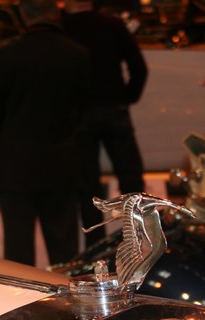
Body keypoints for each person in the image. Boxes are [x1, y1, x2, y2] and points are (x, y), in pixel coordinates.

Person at [0, 0, 90, 266]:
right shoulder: (78, 53)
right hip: (60, 161)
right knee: (64, 255)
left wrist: (6, 141)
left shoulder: (9, 54)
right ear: (55, 11)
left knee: (18, 255)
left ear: (23, 14)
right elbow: (86, 111)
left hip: (16, 163)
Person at [62, 0, 148, 247]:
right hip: (114, 107)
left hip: (79, 112)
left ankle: (95, 247)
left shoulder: (62, 28)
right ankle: (139, 241)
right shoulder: (112, 24)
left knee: (87, 184)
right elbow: (139, 68)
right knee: (130, 178)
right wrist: (127, 97)